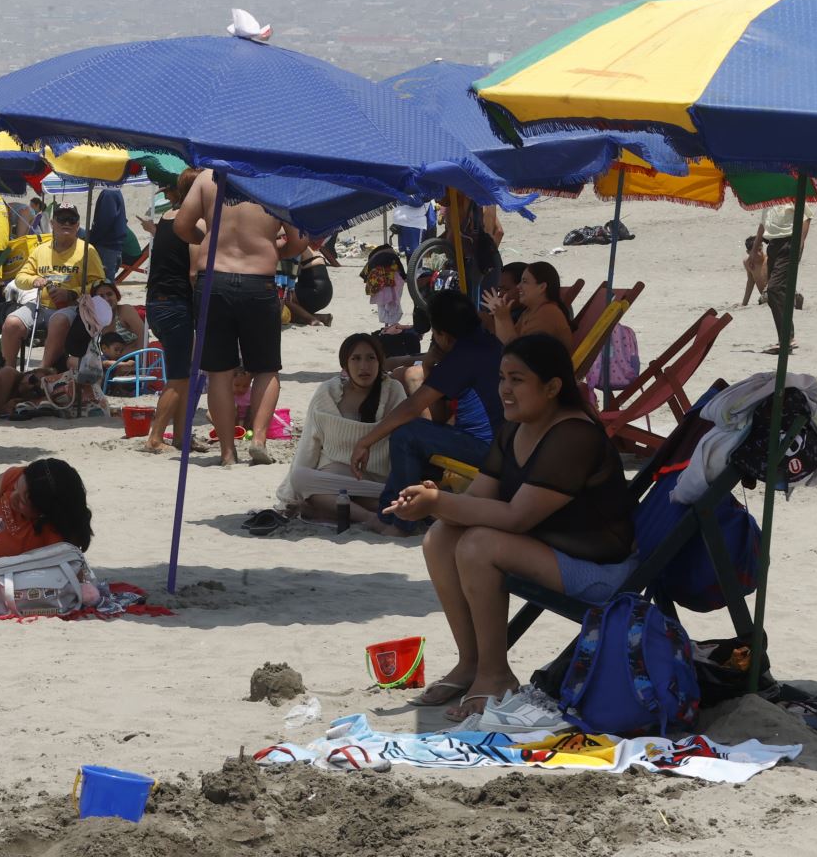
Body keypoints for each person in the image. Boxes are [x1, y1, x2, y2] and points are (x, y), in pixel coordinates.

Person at [390, 334, 635, 719]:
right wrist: (432, 501)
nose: (504, 388)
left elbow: (516, 517)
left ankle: (495, 674)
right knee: (440, 537)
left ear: (553, 387)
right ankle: (471, 663)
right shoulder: (514, 430)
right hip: (552, 550)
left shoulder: (573, 436)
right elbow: (478, 502)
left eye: (517, 379)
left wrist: (441, 503)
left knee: (479, 545)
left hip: (599, 570)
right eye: (502, 377)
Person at [174, 167, 307, 466]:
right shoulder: (277, 178)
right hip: (258, 281)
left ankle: (226, 452)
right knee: (266, 368)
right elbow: (299, 243)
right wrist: (270, 248)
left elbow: (181, 226)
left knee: (219, 372)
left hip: (213, 279)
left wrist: (209, 236)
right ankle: (258, 439)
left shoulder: (209, 176)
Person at [349, 290, 506, 531]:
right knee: (416, 434)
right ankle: (399, 512)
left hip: (486, 449)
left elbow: (413, 407)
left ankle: (397, 521)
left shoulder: (463, 356)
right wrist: (429, 367)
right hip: (498, 445)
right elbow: (440, 417)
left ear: (443, 335)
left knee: (406, 435)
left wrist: (365, 442)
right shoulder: (487, 342)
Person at [272, 334, 409, 534]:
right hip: (334, 477)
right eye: (356, 358)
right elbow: (309, 444)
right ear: (345, 363)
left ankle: (343, 508)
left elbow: (404, 440)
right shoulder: (327, 392)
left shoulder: (392, 390)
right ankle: (371, 518)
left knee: (323, 498)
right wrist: (291, 494)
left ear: (380, 361)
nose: (364, 366)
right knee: (300, 478)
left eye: (371, 358)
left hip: (376, 480)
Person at [1, 204, 106, 370]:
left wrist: (71, 293)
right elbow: (21, 278)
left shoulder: (88, 250)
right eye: (61, 219)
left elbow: (100, 284)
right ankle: (7, 371)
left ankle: (43, 370)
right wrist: (34, 280)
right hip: (40, 306)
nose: (67, 223)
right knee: (11, 322)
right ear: (52, 223)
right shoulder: (40, 250)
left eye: (72, 220)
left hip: (73, 307)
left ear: (78, 225)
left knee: (58, 320)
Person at [143, 172, 198, 454]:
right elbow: (193, 273)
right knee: (178, 375)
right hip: (175, 305)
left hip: (157, 303)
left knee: (184, 373)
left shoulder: (168, 218)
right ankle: (154, 437)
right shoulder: (195, 223)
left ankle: (180, 437)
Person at [759, 201, 812, 354]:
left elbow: (807, 217)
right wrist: (756, 245)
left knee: (774, 289)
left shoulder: (791, 194)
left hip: (789, 243)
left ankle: (787, 339)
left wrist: (800, 243)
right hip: (773, 246)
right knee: (776, 293)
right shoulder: (768, 199)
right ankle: (787, 338)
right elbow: (763, 225)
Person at [483, 260, 573, 349]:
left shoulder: (547, 313)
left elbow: (517, 352)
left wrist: (502, 318)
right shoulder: (530, 311)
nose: (519, 286)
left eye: (525, 281)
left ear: (542, 287)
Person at [87, 186, 128, 277]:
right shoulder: (115, 192)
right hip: (113, 246)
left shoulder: (109, 194)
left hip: (107, 246)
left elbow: (105, 221)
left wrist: (92, 239)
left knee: (104, 282)